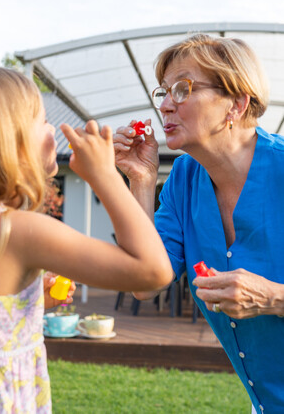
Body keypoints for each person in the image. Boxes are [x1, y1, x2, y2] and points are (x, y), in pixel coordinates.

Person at [0, 67, 173, 413]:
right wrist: (106, 176)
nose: (55, 131)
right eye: (44, 121)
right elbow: (153, 271)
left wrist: (29, 306)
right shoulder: (19, 230)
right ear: (10, 144)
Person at [113, 33, 284, 414]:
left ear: (236, 104)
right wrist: (142, 181)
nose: (166, 106)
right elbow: (145, 284)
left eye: (182, 89)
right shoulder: (183, 178)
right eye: (163, 93)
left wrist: (274, 297)